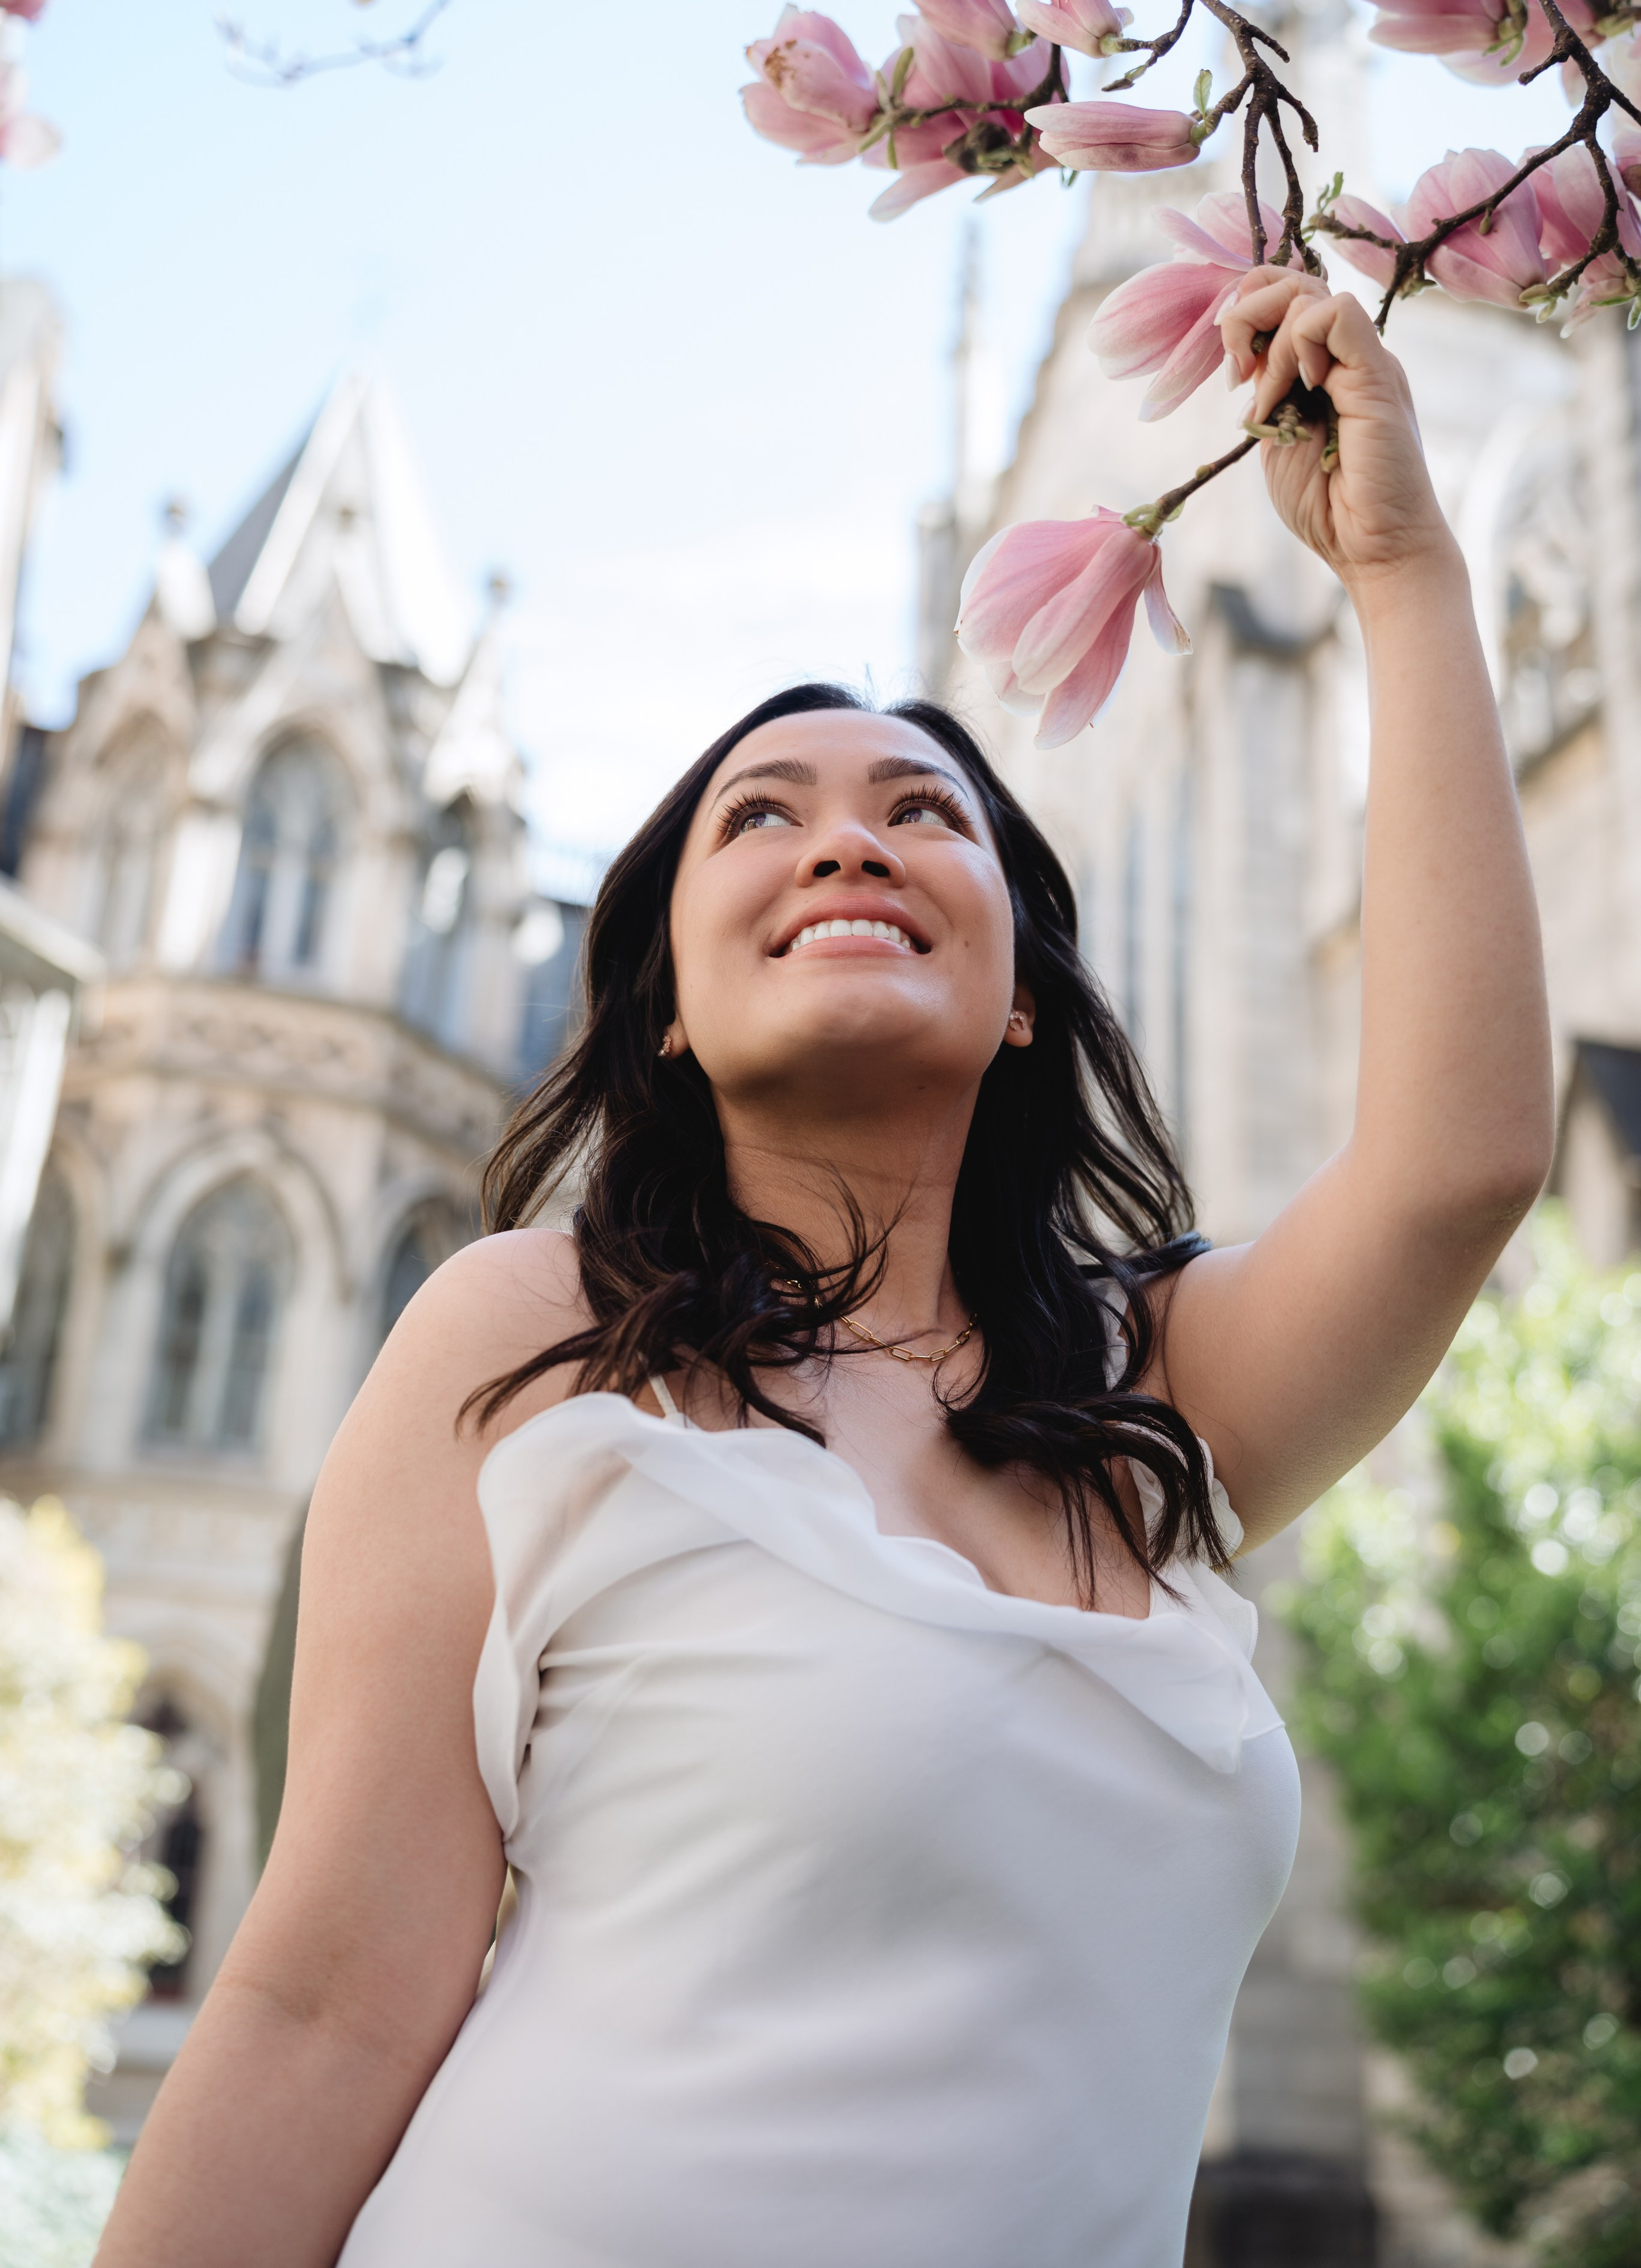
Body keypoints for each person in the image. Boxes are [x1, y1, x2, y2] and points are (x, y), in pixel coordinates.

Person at [96, 271, 1553, 2268]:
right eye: (759, 821)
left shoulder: (1160, 1398)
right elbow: (325, 2006)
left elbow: (1464, 1164)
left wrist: (1401, 571)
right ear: (670, 1009)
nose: (845, 844)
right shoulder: (536, 1338)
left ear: (1025, 996)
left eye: (920, 812)